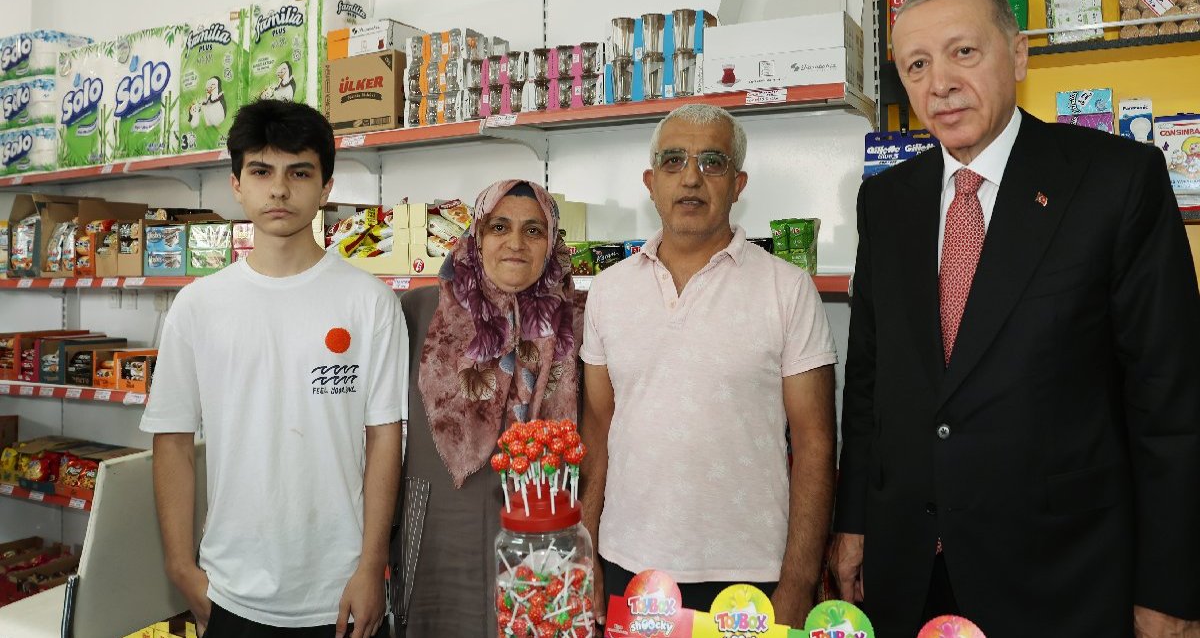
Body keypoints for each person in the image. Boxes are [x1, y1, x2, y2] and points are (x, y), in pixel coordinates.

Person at [831, 0, 1200, 637]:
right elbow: (868, 383)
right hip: (911, 570)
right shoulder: (885, 202)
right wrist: (853, 523)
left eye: (963, 52)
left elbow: (1171, 404)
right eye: (917, 66)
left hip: (1062, 577)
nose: (940, 84)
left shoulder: (1116, 180)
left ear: (1019, 54)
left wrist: (1169, 590)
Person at [141, 99, 405, 638]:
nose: (279, 190)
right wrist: (180, 567)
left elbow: (385, 439)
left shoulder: (370, 302)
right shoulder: (198, 306)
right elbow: (172, 441)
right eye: (262, 171)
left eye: (299, 173)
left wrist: (371, 566)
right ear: (236, 184)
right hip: (230, 588)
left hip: (341, 592)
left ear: (326, 187)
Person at [580, 103, 838, 627]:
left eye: (712, 162)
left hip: (751, 577)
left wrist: (798, 581)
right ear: (651, 182)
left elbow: (815, 443)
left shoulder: (787, 290)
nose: (691, 178)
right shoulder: (607, 292)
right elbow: (600, 429)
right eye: (673, 161)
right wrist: (586, 553)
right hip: (629, 564)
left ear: (738, 183)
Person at [392, 180, 582, 636]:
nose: (516, 243)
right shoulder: (417, 311)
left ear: (552, 242)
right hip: (436, 521)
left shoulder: (576, 320)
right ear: (476, 235)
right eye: (499, 227)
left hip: (537, 521)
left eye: (534, 230)